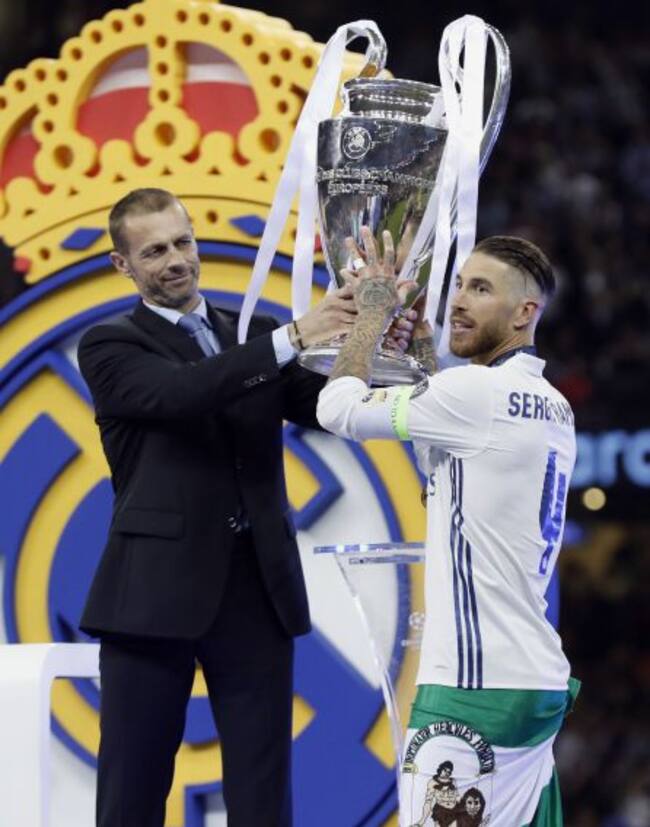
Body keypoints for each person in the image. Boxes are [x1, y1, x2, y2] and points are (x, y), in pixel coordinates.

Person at [77, 188, 415, 827]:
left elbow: (328, 407)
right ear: (123, 265)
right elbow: (181, 394)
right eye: (154, 251)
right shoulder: (109, 345)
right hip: (151, 596)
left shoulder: (252, 333)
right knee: (132, 789)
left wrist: (375, 334)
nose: (175, 260)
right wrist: (296, 335)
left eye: (182, 242)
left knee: (263, 793)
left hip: (258, 589)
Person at [317, 227, 581, 826]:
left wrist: (372, 312)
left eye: (480, 289)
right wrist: (425, 365)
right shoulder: (552, 403)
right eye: (459, 284)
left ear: (524, 314)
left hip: (472, 685)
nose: (458, 300)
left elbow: (336, 409)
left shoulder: (475, 393)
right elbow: (443, 468)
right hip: (533, 682)